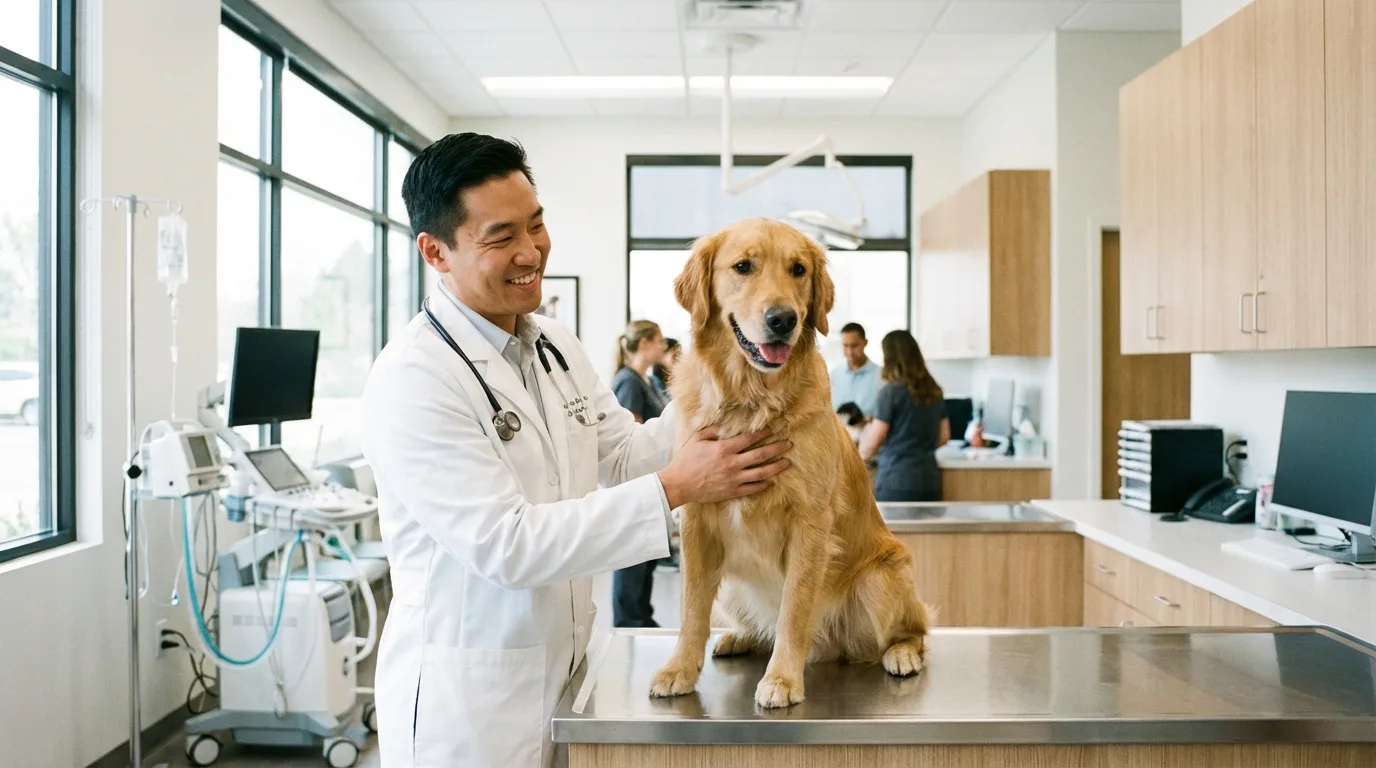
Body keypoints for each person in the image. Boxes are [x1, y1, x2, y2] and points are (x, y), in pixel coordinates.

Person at [360, 132, 793, 768]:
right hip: (470, 707)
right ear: (436, 252)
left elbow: (621, 453)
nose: (530, 251)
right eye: (500, 237)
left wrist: (725, 395)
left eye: (536, 225)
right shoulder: (414, 378)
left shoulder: (554, 345)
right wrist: (680, 486)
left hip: (568, 674)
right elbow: (506, 545)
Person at [609, 320, 669, 627]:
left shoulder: (647, 381)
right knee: (633, 559)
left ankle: (641, 618)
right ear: (644, 344)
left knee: (646, 558)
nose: (663, 347)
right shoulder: (629, 382)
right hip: (637, 485)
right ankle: (631, 621)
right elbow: (631, 438)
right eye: (658, 340)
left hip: (654, 484)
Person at [859, 330, 950, 502]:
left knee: (895, 530)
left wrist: (857, 458)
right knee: (926, 529)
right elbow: (944, 437)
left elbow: (875, 439)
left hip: (896, 480)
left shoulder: (890, 392)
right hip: (929, 480)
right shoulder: (935, 391)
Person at [829, 322, 882, 418]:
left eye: (854, 346)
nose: (849, 352)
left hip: (870, 431)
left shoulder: (881, 375)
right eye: (845, 345)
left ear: (865, 343)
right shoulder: (834, 375)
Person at [651, 337, 680, 401]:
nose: (678, 358)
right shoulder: (655, 382)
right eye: (675, 355)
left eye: (679, 354)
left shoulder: (681, 377)